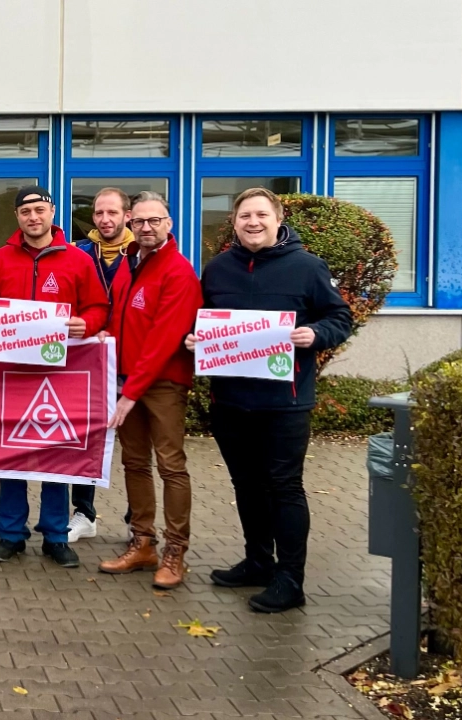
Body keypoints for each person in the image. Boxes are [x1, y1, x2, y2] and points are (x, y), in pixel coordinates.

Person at [185, 187, 351, 613]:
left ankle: (290, 580)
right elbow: (203, 318)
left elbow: (339, 317)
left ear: (278, 219)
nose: (252, 222)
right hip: (231, 400)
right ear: (235, 222)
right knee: (246, 485)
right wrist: (194, 339)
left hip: (285, 402)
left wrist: (316, 334)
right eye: (244, 216)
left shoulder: (308, 267)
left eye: (261, 214)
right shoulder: (219, 268)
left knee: (284, 487)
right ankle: (258, 561)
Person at [0, 185, 109, 567]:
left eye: (40, 209)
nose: (33, 216)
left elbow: (97, 306)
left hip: (60, 375)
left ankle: (56, 536)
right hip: (9, 374)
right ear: (17, 217)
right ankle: (11, 534)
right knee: (11, 455)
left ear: (52, 212)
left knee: (55, 455)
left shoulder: (78, 260)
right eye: (26, 210)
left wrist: (86, 323)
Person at [95, 192, 203, 589]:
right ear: (129, 223)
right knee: (134, 464)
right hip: (127, 379)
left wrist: (129, 394)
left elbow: (163, 339)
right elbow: (122, 320)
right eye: (138, 221)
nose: (145, 227)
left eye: (154, 220)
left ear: (168, 223)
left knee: (171, 466)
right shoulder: (129, 263)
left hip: (161, 384)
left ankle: (175, 551)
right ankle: (143, 543)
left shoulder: (178, 271)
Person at [70, 187, 134, 541]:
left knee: (134, 446)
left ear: (127, 215)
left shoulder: (141, 254)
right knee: (85, 439)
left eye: (112, 213)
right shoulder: (80, 253)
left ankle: (134, 518)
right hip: (88, 361)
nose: (105, 220)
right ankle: (84, 513)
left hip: (130, 360)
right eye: (98, 213)